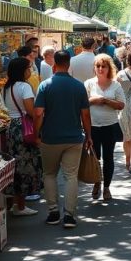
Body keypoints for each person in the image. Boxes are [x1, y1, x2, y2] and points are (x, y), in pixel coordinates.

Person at [34, 50, 91, 229]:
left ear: (54, 64)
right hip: (74, 138)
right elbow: (85, 115)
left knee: (49, 174)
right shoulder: (78, 86)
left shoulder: (45, 85)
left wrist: (36, 133)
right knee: (70, 176)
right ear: (69, 64)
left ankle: (53, 212)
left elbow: (38, 113)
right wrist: (89, 135)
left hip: (50, 138)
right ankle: (69, 215)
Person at [1, 58, 43, 217]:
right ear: (22, 70)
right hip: (24, 127)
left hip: (11, 127)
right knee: (25, 166)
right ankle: (21, 205)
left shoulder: (6, 87)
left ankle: (13, 204)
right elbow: (31, 111)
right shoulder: (25, 87)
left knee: (14, 165)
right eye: (28, 68)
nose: (30, 71)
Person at [85, 54, 126, 201]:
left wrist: (106, 101)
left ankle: (107, 187)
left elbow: (121, 105)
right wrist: (93, 100)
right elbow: (82, 104)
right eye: (98, 66)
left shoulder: (116, 85)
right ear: (94, 68)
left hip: (110, 126)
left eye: (104, 66)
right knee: (95, 158)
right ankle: (96, 183)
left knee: (108, 157)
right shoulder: (89, 84)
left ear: (109, 68)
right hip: (93, 126)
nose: (101, 69)